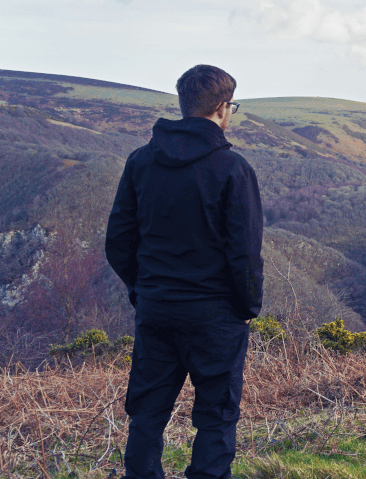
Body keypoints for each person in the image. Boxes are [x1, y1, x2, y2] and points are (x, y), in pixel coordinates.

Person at [105, 64, 264, 479]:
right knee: (216, 414)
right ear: (222, 108)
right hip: (215, 314)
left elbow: (119, 242)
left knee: (147, 411)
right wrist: (246, 307)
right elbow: (245, 254)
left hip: (157, 308)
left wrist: (143, 290)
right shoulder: (233, 170)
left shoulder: (141, 161)